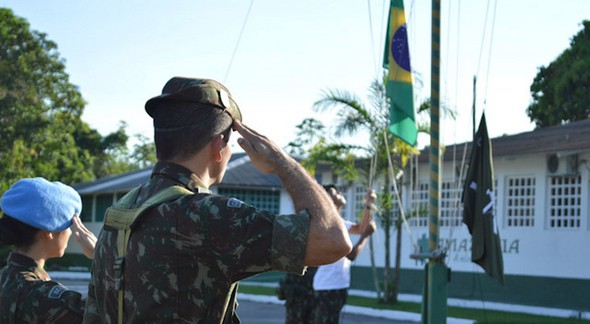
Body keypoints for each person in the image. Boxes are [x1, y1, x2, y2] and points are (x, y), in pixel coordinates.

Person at [83, 77, 352, 323]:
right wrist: (284, 163)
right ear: (217, 147)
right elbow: (333, 240)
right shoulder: (207, 216)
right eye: (230, 142)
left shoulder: (118, 213)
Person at [0, 177, 97, 323]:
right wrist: (101, 257)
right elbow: (107, 313)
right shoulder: (47, 298)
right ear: (48, 232)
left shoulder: (4, 278)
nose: (70, 233)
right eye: (68, 226)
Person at [313, 185, 377, 324]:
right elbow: (351, 255)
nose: (340, 193)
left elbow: (360, 228)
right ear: (327, 200)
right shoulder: (330, 226)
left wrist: (368, 205)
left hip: (335, 286)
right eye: (335, 192)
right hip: (328, 288)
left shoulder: (338, 223)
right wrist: (366, 235)